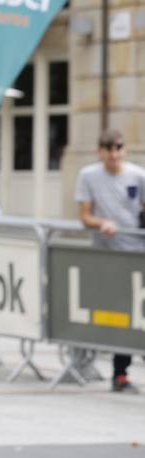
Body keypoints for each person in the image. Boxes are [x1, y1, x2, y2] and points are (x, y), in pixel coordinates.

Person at [76, 129, 145, 393]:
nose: (114, 154)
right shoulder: (89, 176)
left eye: (119, 148)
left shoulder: (138, 176)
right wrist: (101, 223)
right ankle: (120, 373)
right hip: (108, 256)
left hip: (137, 252)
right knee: (120, 315)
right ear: (100, 151)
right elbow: (84, 215)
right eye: (109, 148)